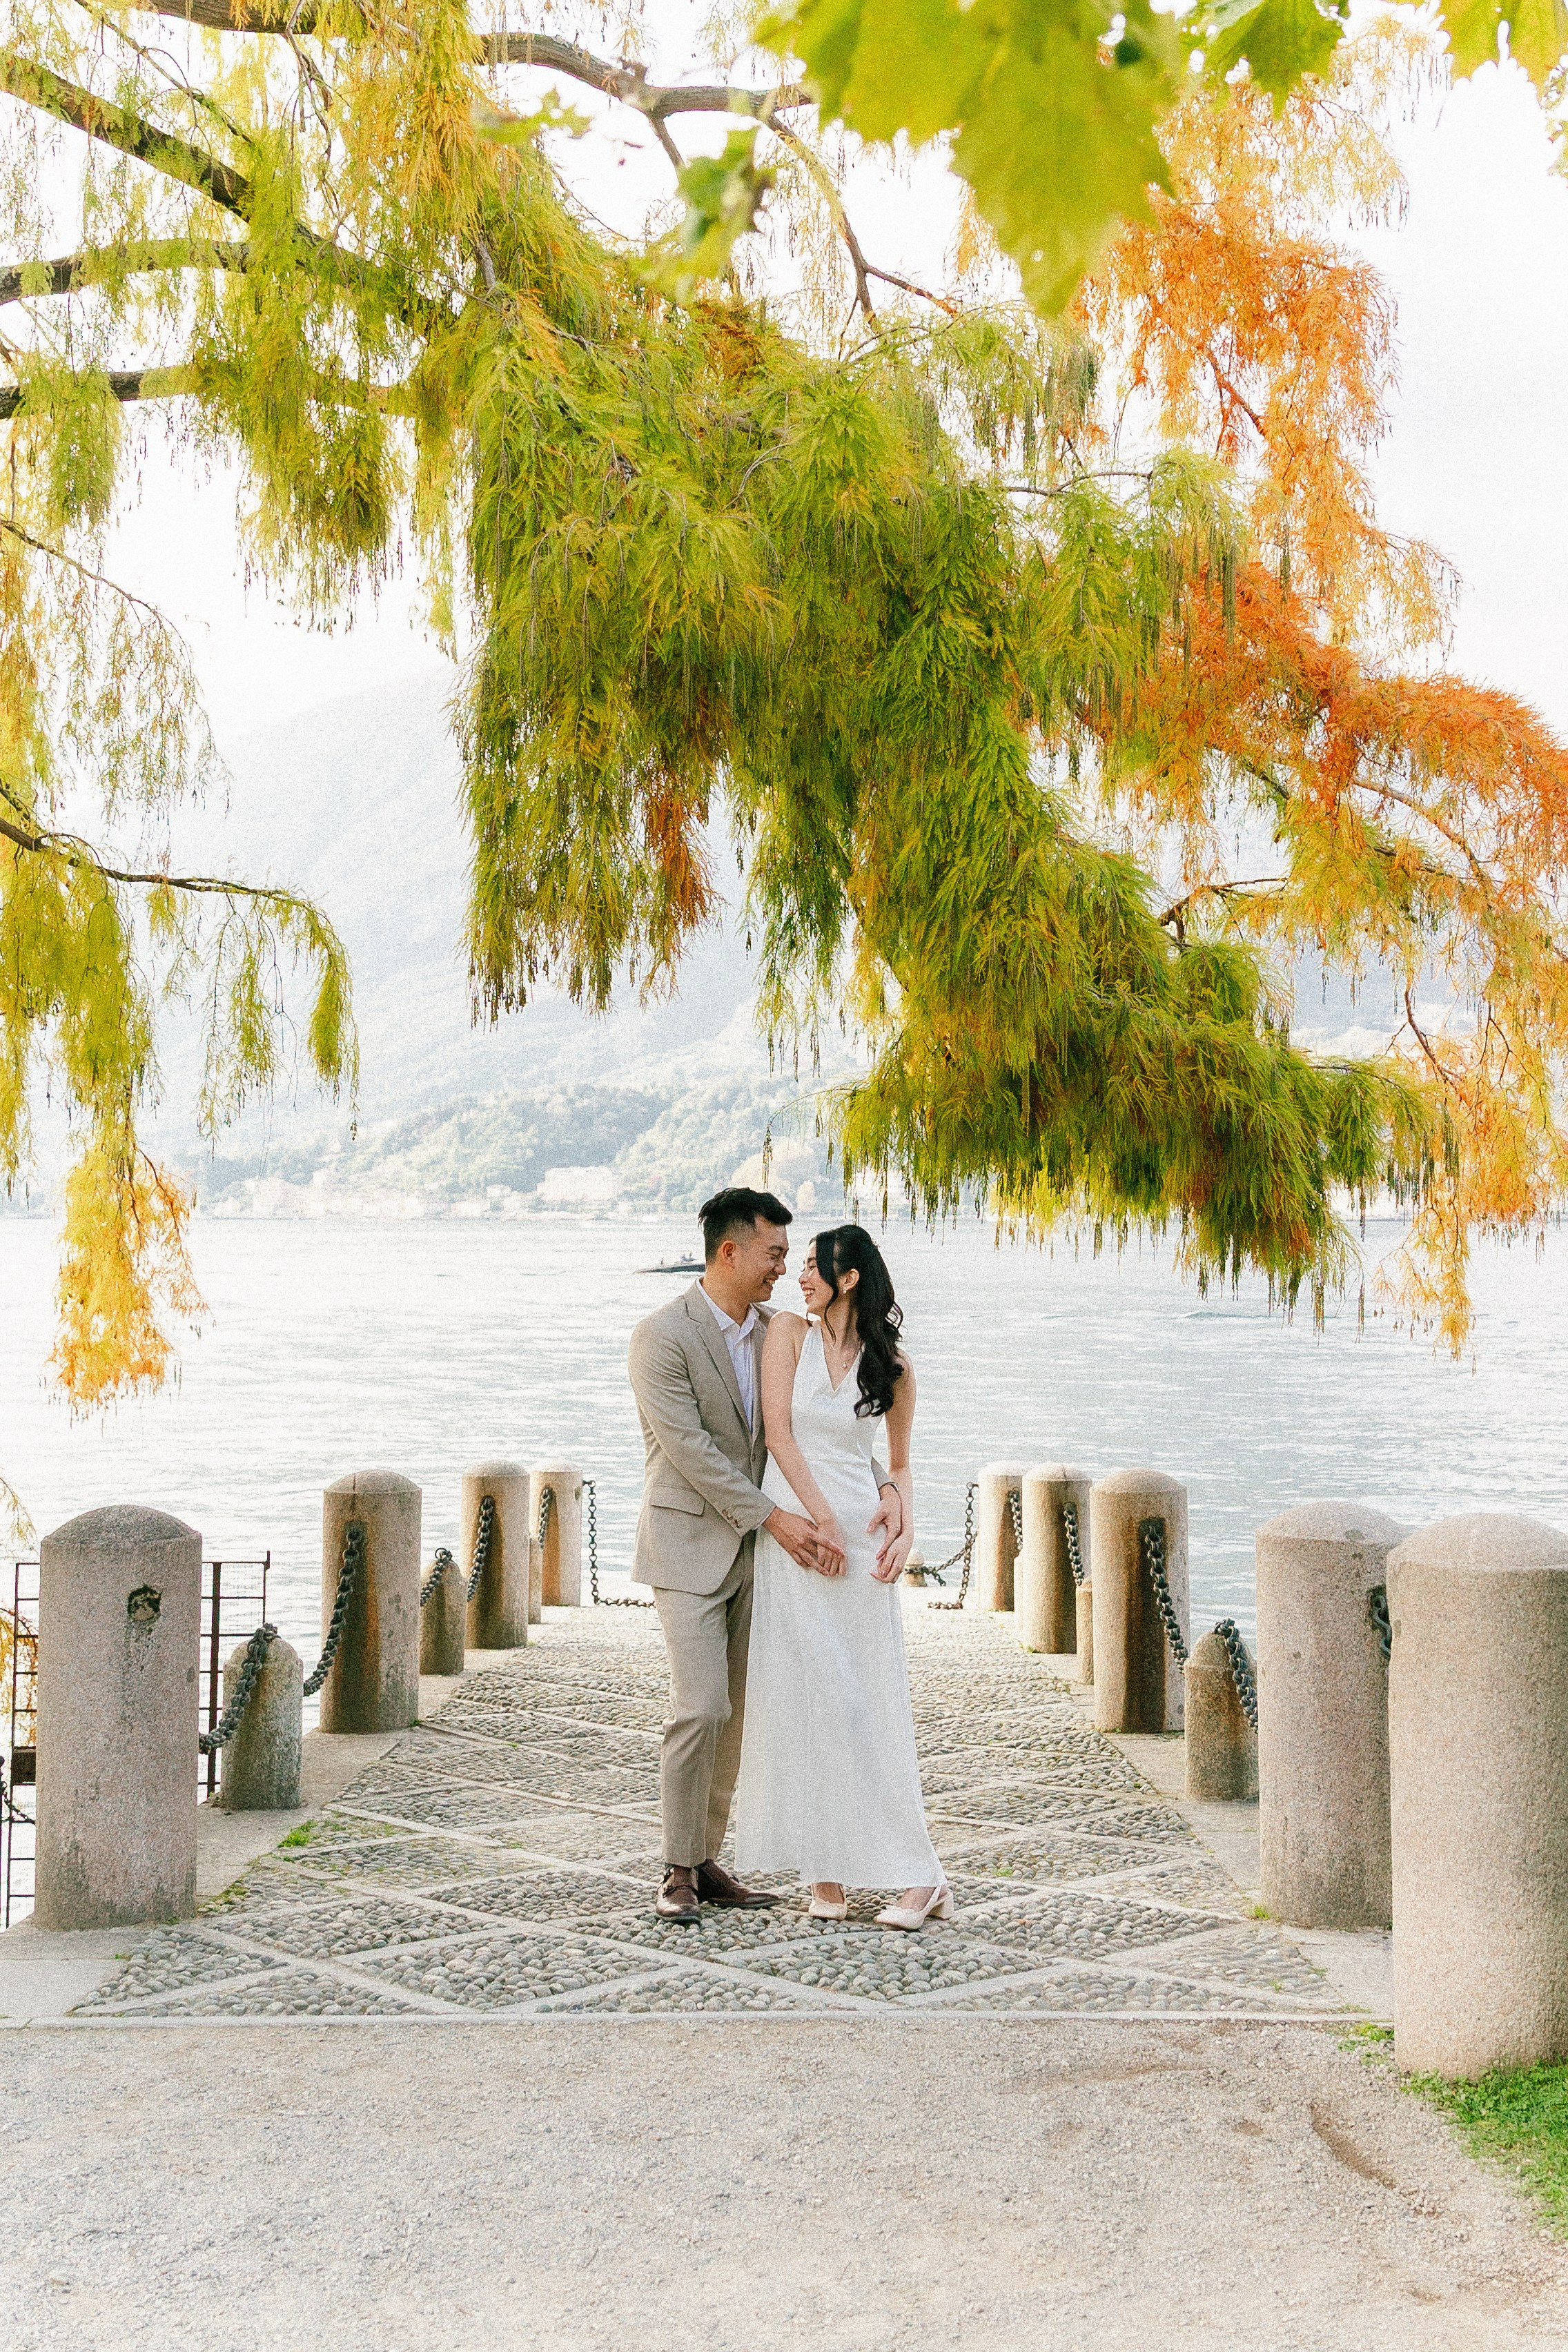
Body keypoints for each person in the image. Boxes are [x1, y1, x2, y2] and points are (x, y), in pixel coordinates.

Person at [628, 1188, 905, 1922]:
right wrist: (779, 1518)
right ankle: (675, 1867)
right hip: (689, 1542)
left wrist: (887, 1487)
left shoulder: (782, 1331)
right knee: (702, 1704)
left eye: (792, 1257)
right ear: (730, 1252)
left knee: (741, 1711)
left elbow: (823, 1431)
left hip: (763, 1554)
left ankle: (707, 1856)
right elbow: (689, 1453)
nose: (784, 1269)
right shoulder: (661, 1337)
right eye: (775, 1254)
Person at [735, 1224, 950, 1931]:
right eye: (796, 1266)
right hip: (798, 1537)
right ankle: (822, 1872)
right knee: (803, 1698)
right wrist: (817, 1521)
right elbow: (778, 1435)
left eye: (812, 1267)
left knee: (864, 1704)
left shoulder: (894, 1367)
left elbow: (899, 1463)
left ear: (849, 1277)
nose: (800, 1278)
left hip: (858, 1545)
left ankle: (922, 1878)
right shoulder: (787, 1338)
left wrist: (904, 1522)